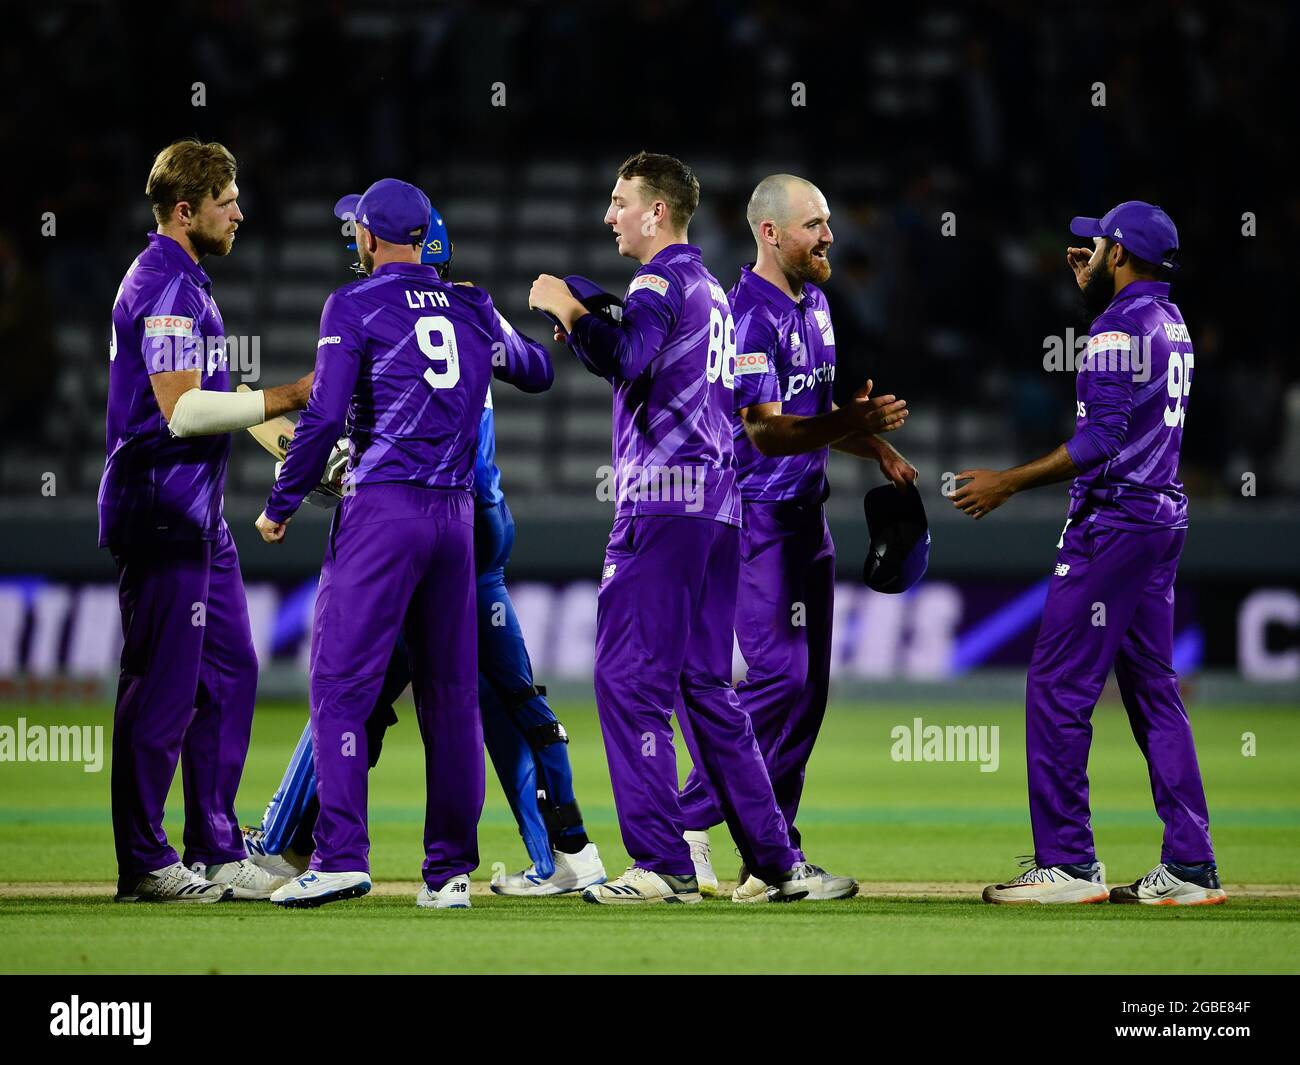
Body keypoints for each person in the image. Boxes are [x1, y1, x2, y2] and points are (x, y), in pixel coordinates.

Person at [529, 152, 895, 904]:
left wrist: (567, 308)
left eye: (620, 201)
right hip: (720, 511)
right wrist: (592, 305)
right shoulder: (709, 291)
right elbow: (650, 345)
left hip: (661, 507)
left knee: (628, 680)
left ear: (656, 212)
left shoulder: (660, 280)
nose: (610, 215)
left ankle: (662, 861)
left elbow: (628, 356)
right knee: (707, 689)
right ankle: (776, 860)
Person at [243, 202, 606, 897]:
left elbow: (322, 414)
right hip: (459, 520)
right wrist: (556, 324)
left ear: (371, 235)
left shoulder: (351, 303)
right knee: (451, 701)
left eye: (357, 227)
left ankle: (338, 856)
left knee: (342, 692)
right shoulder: (471, 305)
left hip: (385, 510)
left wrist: (281, 501)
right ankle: (449, 875)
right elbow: (537, 371)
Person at [952, 201, 1225, 906]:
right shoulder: (1171, 321)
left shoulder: (1116, 326)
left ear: (1122, 253)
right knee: (1155, 692)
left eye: (1095, 244)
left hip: (1114, 525)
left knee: (1056, 687)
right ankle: (1191, 865)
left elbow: (1102, 438)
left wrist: (1008, 481)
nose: (1083, 252)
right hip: (1161, 517)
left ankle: (1068, 862)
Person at [677, 174, 913, 900]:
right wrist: (854, 426)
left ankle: (769, 857)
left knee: (808, 695)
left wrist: (875, 447)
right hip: (758, 521)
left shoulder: (816, 305)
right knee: (781, 680)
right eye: (814, 224)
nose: (830, 236)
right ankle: (681, 820)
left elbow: (817, 409)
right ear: (771, 233)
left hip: (806, 519)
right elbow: (767, 429)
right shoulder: (750, 315)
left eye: (829, 222)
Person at [104, 138, 310, 903]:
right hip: (160, 512)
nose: (240, 213)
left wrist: (300, 453)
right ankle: (148, 861)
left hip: (199, 519)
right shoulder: (163, 284)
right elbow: (183, 409)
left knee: (230, 670)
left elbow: (214, 392)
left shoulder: (187, 280)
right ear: (187, 211)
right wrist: (289, 396)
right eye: (227, 201)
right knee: (163, 688)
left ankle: (218, 850)